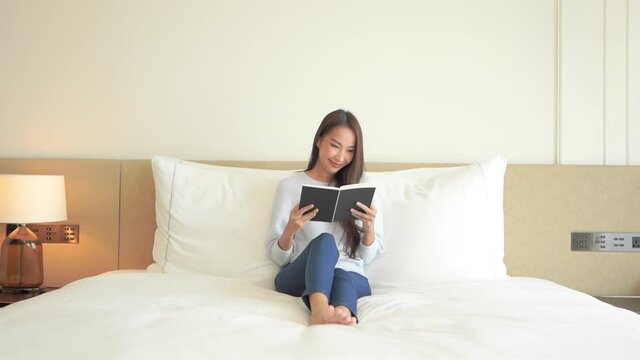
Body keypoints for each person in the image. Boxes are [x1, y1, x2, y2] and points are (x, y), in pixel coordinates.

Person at [266, 109, 384, 325]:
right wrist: (291, 229)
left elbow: (366, 258)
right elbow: (277, 257)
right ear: (319, 140)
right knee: (325, 242)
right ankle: (319, 310)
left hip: (350, 275)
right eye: (335, 145)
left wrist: (368, 228)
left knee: (343, 274)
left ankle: (342, 313)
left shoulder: (363, 187)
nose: (341, 157)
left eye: (350, 150)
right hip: (300, 276)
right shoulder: (290, 186)